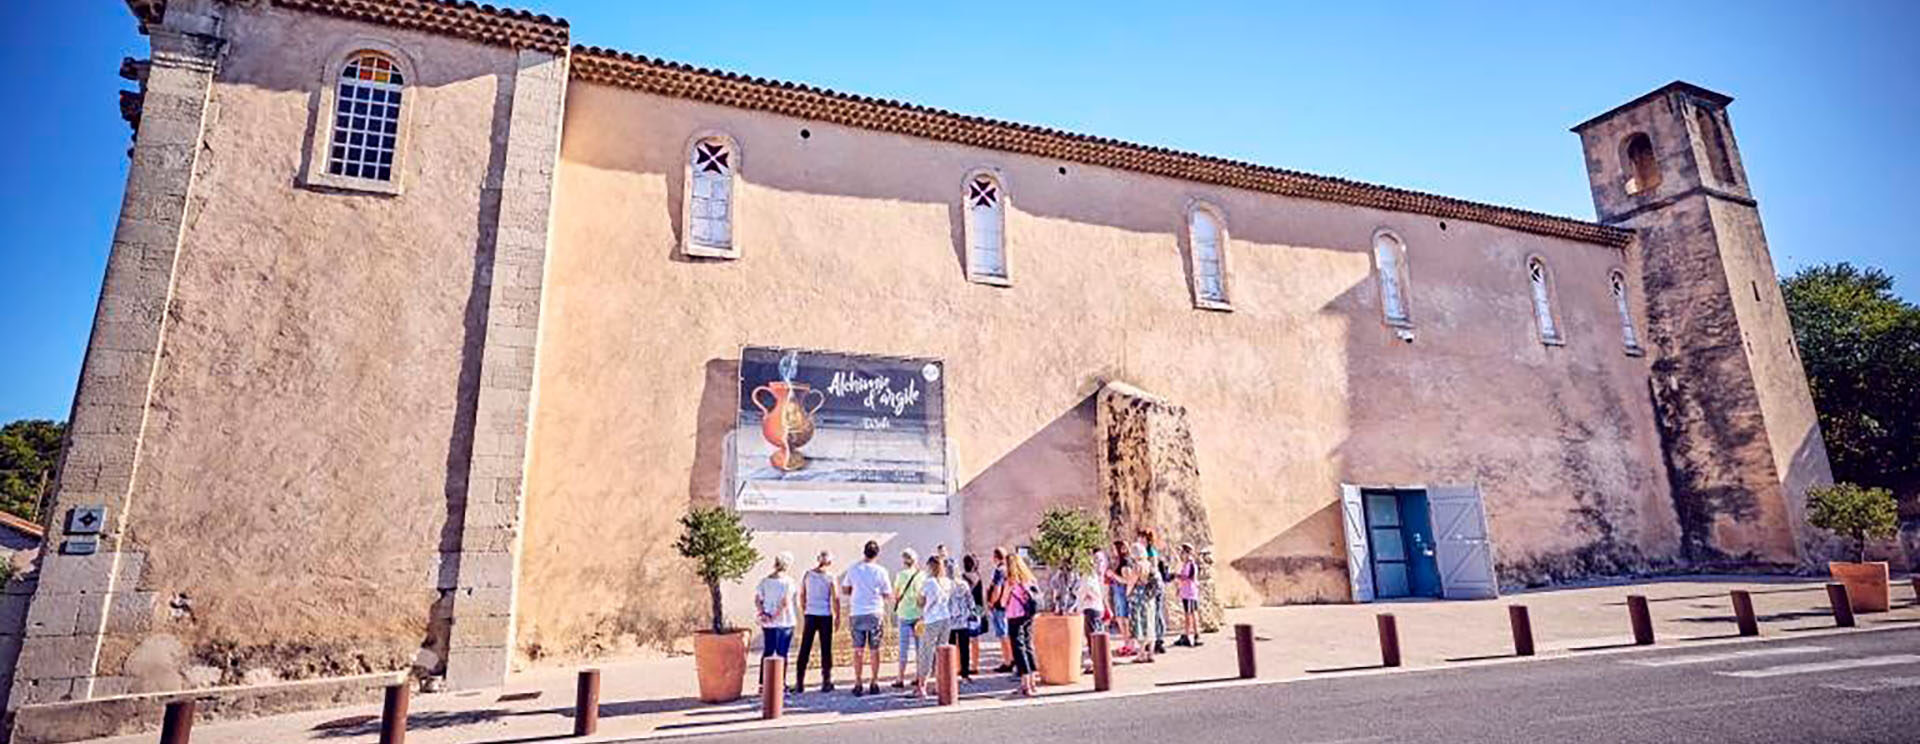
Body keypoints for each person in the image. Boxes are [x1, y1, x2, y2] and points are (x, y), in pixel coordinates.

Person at [842, 540, 893, 697]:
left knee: (858, 650)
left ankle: (858, 683)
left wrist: (856, 593)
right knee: (874, 650)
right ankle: (874, 682)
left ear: (864, 552)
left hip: (857, 612)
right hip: (875, 612)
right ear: (877, 554)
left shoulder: (853, 568)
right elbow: (887, 594)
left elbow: (845, 589)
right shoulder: (881, 571)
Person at [795, 550, 840, 692]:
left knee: (805, 647)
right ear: (830, 562)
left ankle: (799, 682)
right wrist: (837, 615)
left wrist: (804, 609)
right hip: (825, 614)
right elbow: (835, 598)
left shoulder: (808, 575)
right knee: (826, 648)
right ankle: (826, 680)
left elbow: (802, 595)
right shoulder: (830, 577)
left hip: (811, 613)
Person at [755, 552, 798, 688]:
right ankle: (780, 683)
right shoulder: (788, 582)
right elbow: (785, 602)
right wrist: (776, 615)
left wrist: (763, 613)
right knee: (782, 652)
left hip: (768, 622)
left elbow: (758, 599)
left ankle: (763, 683)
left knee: (768, 651)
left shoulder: (764, 581)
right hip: (785, 621)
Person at [913, 555, 954, 698]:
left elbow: (920, 602)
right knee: (942, 652)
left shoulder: (928, 582)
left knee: (926, 653)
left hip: (931, 619)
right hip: (945, 618)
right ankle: (939, 685)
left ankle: (922, 686)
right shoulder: (948, 582)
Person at [1003, 553, 1042, 696]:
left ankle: (1025, 684)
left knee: (1019, 649)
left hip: (1015, 616)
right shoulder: (1030, 579)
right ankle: (1032, 682)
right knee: (1028, 646)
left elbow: (1002, 601)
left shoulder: (1011, 581)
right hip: (1028, 615)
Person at [891, 548, 926, 689]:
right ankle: (919, 676)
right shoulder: (921, 575)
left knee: (903, 647)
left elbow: (896, 595)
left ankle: (900, 678)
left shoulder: (900, 575)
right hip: (918, 614)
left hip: (904, 614)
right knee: (919, 648)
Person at [1073, 547, 1106, 669]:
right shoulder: (1092, 574)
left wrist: (1086, 596)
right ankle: (1096, 661)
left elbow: (1088, 589)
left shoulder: (1090, 574)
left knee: (1093, 636)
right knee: (1093, 635)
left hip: (1092, 607)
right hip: (1093, 607)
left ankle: (1096, 662)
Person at [1123, 544, 1155, 663]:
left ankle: (1141, 654)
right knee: (1150, 622)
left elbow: (1132, 581)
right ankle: (1151, 653)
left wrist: (1128, 593)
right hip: (1148, 596)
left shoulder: (1137, 566)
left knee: (1140, 624)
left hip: (1138, 597)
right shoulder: (1149, 564)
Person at [954, 553, 983, 681]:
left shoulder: (962, 578)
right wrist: (980, 613)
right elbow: (980, 597)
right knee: (975, 639)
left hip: (964, 612)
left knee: (961, 642)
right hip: (975, 610)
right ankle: (975, 665)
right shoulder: (978, 577)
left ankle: (959, 666)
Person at [1105, 540, 1134, 655]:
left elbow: (1127, 581)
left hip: (1122, 592)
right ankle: (1126, 643)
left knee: (1124, 619)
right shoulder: (1120, 562)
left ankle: (1129, 644)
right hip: (1118, 592)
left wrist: (1113, 575)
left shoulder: (1125, 563)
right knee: (1120, 619)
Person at [987, 546, 1013, 673]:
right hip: (1007, 606)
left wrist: (991, 602)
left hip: (999, 607)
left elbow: (997, 589)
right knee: (1007, 633)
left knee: (1003, 634)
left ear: (996, 557)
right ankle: (1011, 659)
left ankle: (1007, 661)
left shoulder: (999, 571)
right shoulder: (1009, 569)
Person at [1174, 543, 1203, 647]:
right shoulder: (1187, 564)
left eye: (1182, 552)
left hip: (1189, 593)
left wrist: (1176, 576)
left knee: (1189, 614)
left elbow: (1187, 577)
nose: (1181, 555)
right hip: (1188, 592)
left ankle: (1192, 635)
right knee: (1190, 613)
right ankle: (1191, 634)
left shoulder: (1190, 564)